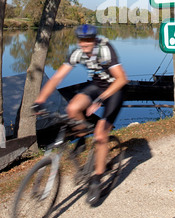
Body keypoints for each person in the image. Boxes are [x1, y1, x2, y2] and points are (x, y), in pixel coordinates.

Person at [32, 24, 128, 206]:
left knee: (100, 135)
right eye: (82, 41)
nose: (85, 45)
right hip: (97, 85)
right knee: (72, 109)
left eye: (88, 41)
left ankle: (97, 180)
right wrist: (40, 100)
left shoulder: (105, 50)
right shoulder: (77, 53)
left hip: (115, 90)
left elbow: (122, 79)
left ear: (94, 40)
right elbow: (57, 78)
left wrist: (100, 100)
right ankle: (83, 136)